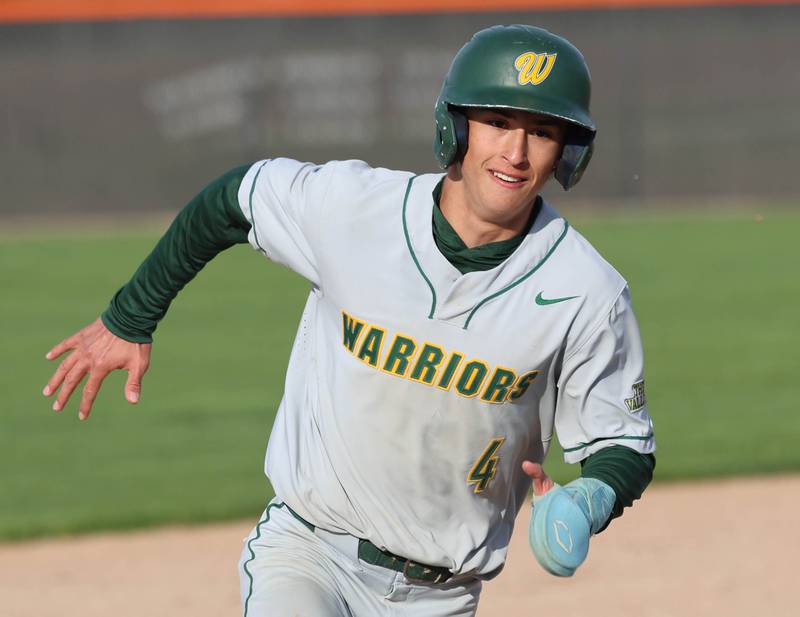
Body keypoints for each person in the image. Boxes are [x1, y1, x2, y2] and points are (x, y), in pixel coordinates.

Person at [43, 25, 655, 617]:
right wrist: (130, 317)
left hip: (445, 594)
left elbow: (621, 442)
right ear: (457, 125)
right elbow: (234, 199)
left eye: (542, 131)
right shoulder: (354, 209)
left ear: (567, 151)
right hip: (309, 555)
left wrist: (589, 497)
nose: (515, 152)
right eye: (497, 122)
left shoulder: (585, 291)